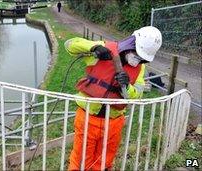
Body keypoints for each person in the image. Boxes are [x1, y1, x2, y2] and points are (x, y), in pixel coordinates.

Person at [64, 26, 162, 170]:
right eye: (137, 55)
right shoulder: (102, 49)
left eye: (142, 59)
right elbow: (70, 45)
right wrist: (93, 47)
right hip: (88, 118)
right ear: (131, 44)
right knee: (80, 161)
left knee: (104, 162)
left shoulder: (140, 69)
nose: (138, 60)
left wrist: (126, 86)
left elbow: (137, 94)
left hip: (114, 122)